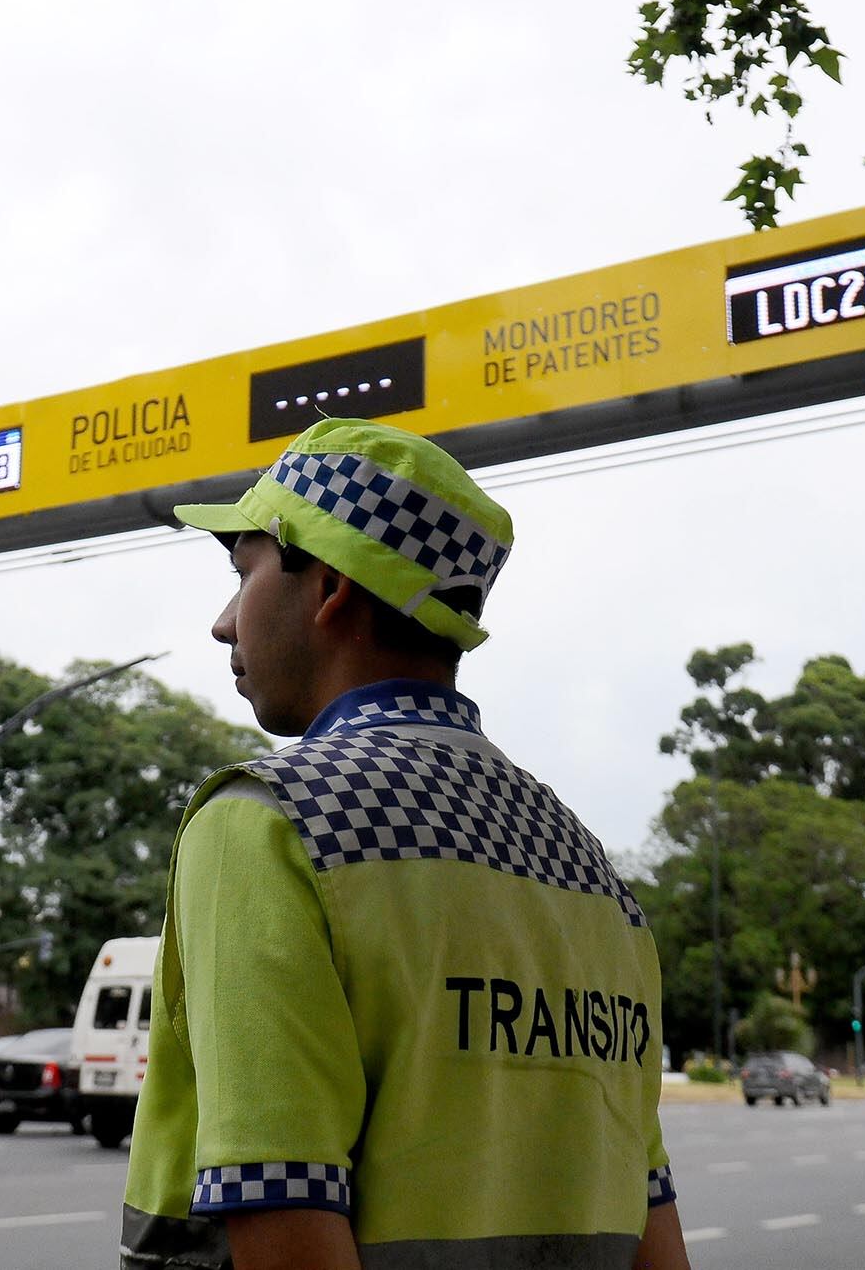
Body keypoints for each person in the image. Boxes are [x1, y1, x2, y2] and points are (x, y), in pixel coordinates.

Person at [121, 417, 690, 1269]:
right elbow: (654, 1229)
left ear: (330, 586)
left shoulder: (269, 821)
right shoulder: (594, 873)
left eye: (243, 575)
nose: (224, 622)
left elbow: (282, 1209)